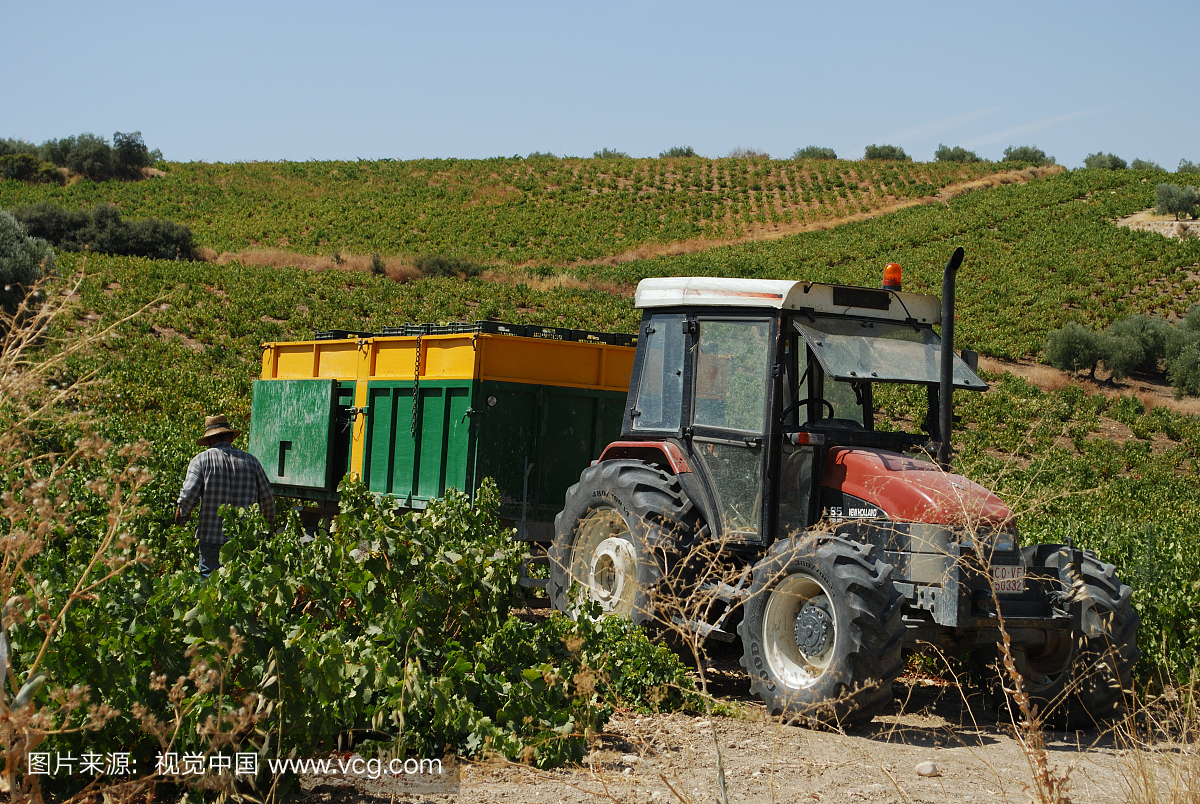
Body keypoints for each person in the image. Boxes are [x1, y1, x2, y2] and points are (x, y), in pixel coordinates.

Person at [176, 414, 276, 579]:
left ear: (208, 440)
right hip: (244, 539)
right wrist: (268, 529)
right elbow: (267, 501)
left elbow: (188, 495)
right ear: (230, 437)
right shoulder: (251, 462)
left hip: (211, 538)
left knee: (210, 584)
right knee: (241, 584)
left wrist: (183, 516)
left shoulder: (200, 461)